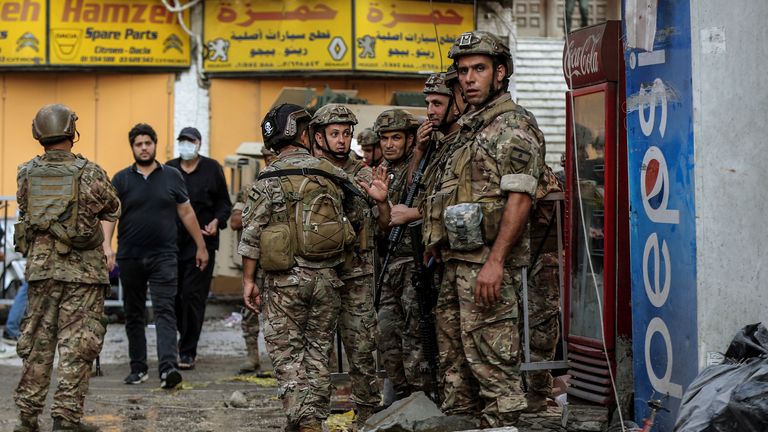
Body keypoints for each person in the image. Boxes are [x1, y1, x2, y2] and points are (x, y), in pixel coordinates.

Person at [422, 31, 547, 427]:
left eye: (479, 69)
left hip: (487, 270)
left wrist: (495, 262)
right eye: (462, 71)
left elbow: (520, 198)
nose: (469, 78)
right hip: (456, 266)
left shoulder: (512, 126)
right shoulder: (469, 130)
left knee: (496, 374)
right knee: (455, 374)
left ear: (501, 73)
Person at [239, 103, 361, 432]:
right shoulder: (330, 173)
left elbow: (251, 233)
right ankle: (311, 419)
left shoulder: (268, 177)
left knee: (287, 355)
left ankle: (306, 421)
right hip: (327, 279)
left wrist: (249, 280)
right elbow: (358, 217)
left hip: (284, 284)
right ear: (305, 134)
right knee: (318, 351)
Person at [12, 103, 121, 432]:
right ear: (73, 132)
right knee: (77, 346)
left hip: (42, 271)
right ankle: (66, 417)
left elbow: (25, 208)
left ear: (37, 133)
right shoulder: (90, 171)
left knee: (38, 344)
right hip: (83, 274)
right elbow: (113, 208)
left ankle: (27, 417)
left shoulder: (25, 172)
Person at [104, 123, 209, 390]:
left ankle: (168, 368)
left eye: (147, 143)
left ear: (154, 145)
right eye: (138, 144)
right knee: (134, 313)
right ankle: (137, 368)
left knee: (165, 311)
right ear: (132, 148)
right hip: (130, 257)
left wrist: (201, 245)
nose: (143, 148)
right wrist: (107, 247)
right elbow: (110, 216)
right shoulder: (120, 179)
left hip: (164, 255)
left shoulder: (172, 176)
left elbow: (186, 213)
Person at [309, 104, 380, 424]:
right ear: (320, 136)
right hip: (319, 273)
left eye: (346, 133)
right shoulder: (308, 171)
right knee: (316, 350)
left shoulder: (363, 173)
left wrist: (383, 201)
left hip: (357, 274)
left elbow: (384, 222)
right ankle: (314, 415)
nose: (341, 140)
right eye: (335, 133)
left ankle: (367, 412)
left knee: (362, 348)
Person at [362, 109, 425, 401]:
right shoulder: (380, 172)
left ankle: (419, 396)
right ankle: (401, 394)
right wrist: (384, 202)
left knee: (415, 335)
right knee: (387, 333)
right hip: (390, 264)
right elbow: (384, 226)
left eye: (396, 138)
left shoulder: (423, 166)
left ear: (409, 139)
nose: (389, 144)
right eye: (384, 138)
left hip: (415, 261)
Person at [167, 127, 232, 370]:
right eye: (182, 141)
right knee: (174, 296)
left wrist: (217, 222)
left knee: (193, 297)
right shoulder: (169, 169)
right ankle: (185, 336)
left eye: (190, 141)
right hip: (173, 244)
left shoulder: (212, 168)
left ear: (199, 143)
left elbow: (224, 204)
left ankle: (187, 351)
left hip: (202, 244)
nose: (186, 145)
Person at [231, 146, 275, 375]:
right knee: (250, 311)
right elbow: (235, 221)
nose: (271, 161)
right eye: (267, 158)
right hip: (255, 263)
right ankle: (252, 356)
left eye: (274, 157)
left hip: (280, 262)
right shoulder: (250, 189)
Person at [522, 165, 563, 412]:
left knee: (541, 328)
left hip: (541, 260)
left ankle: (538, 392)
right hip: (510, 259)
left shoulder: (534, 166)